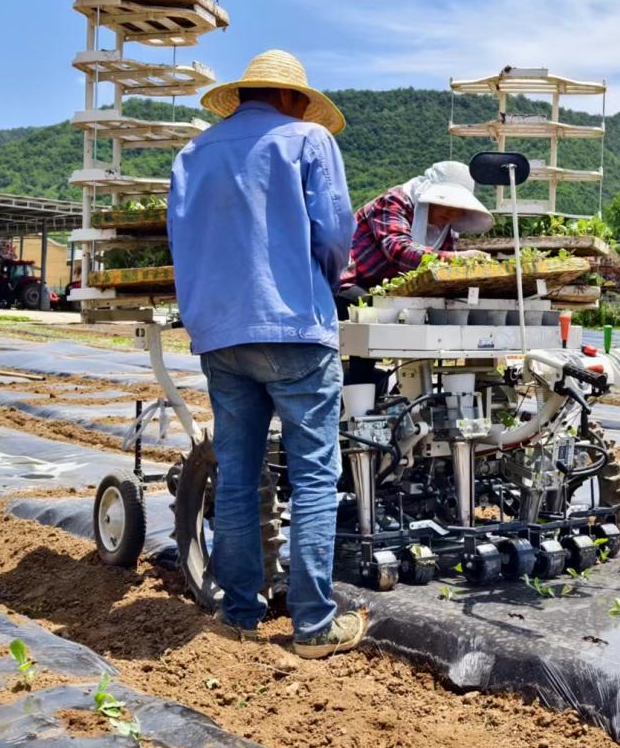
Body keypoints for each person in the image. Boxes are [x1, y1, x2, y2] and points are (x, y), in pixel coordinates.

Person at [169, 49, 364, 657]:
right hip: (293, 327)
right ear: (291, 99)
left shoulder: (193, 154)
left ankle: (239, 613)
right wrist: (330, 281)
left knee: (236, 477)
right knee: (311, 476)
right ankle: (312, 624)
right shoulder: (307, 141)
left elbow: (182, 239)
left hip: (221, 334)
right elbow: (334, 234)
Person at [337, 160, 495, 309]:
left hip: (387, 291)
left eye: (458, 207)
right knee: (367, 308)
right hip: (349, 282)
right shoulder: (393, 202)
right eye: (446, 204)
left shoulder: (447, 231)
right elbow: (399, 251)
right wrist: (458, 258)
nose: (451, 212)